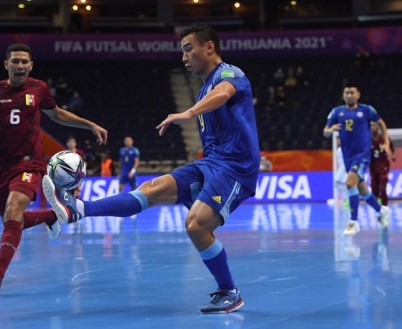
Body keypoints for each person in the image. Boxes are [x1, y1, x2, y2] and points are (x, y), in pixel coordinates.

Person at [43, 23, 259, 313]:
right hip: (211, 163)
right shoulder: (203, 88)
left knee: (196, 225)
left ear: (209, 47)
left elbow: (223, 93)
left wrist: (190, 112)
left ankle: (229, 291)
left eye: (188, 49)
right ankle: (78, 210)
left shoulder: (230, 74)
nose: (184, 58)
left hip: (235, 168)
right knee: (151, 189)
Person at [0, 43, 107, 293]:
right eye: (15, 61)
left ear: (30, 65)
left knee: (13, 210)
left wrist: (90, 125)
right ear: (6, 64)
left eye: (24, 62)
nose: (20, 65)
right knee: (12, 221)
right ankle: (52, 215)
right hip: (1, 167)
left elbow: (57, 115)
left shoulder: (38, 88)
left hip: (30, 163)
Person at [323, 84, 390, 236]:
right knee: (363, 190)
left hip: (362, 155)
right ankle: (381, 210)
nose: (349, 95)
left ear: (358, 94)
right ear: (343, 95)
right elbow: (325, 132)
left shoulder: (367, 110)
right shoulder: (336, 111)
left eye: (352, 93)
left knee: (349, 183)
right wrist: (331, 130)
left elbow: (381, 124)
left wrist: (385, 142)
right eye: (346, 93)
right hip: (348, 156)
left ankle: (353, 222)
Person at [370, 121, 396, 206]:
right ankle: (378, 206)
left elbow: (393, 149)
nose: (372, 127)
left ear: (378, 127)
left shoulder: (384, 138)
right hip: (373, 168)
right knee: (374, 191)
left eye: (374, 125)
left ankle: (385, 207)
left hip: (383, 167)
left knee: (382, 188)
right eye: (371, 126)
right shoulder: (368, 140)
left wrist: (394, 156)